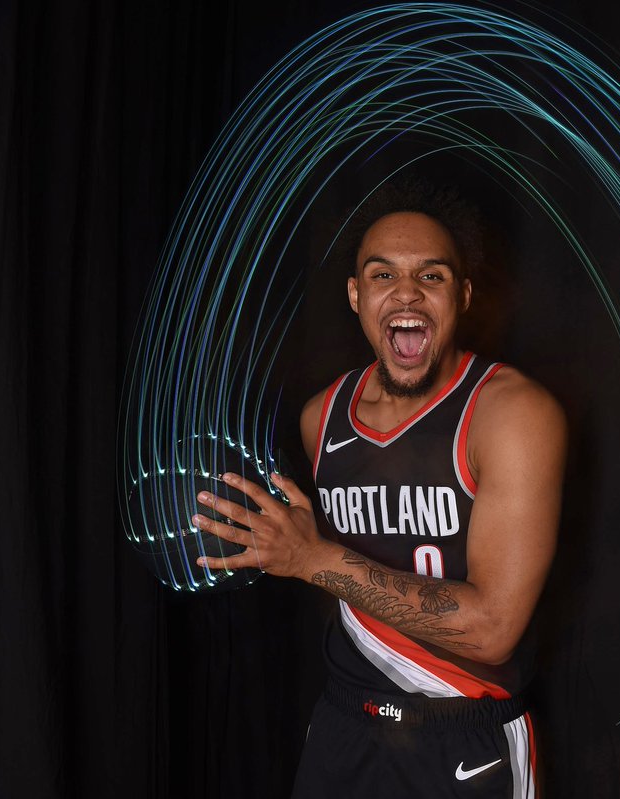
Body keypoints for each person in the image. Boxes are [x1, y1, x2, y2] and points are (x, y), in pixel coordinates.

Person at [190, 179, 567, 797]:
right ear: (356, 295)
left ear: (464, 295)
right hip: (345, 723)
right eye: (383, 274)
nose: (407, 292)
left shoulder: (512, 415)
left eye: (433, 275)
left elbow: (493, 627)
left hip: (464, 736)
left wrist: (312, 558)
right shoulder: (323, 417)